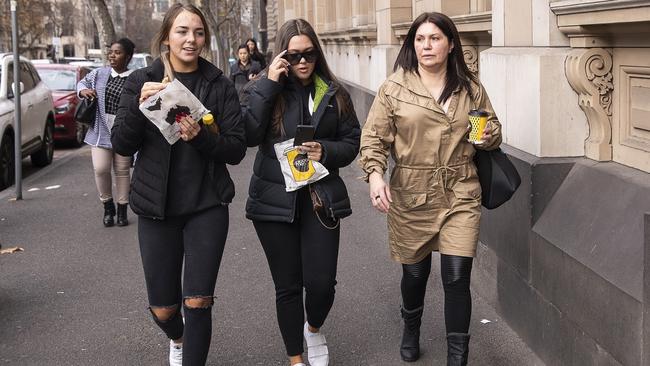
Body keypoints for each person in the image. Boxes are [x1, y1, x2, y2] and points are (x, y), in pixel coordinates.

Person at [359, 12, 502, 366]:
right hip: (411, 193)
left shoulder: (469, 87)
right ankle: (411, 326)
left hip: (461, 190)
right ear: (413, 45)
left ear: (450, 44)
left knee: (456, 277)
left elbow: (492, 127)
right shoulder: (394, 88)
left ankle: (458, 356)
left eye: (435, 38)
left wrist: (487, 135)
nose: (426, 46)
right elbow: (373, 139)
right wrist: (376, 176)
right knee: (415, 273)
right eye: (420, 39)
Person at [111, 4, 246, 365]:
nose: (191, 40)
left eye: (198, 32)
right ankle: (177, 336)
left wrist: (201, 137)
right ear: (167, 36)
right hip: (157, 209)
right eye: (183, 31)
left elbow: (235, 149)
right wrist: (140, 109)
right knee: (164, 309)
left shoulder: (218, 84)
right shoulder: (141, 80)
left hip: (207, 204)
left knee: (198, 301)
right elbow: (122, 144)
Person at [241, 19, 360, 366]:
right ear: (282, 56)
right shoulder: (261, 89)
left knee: (322, 284)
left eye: (308, 54)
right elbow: (248, 135)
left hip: (320, 200)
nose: (303, 62)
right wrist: (269, 84)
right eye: (294, 56)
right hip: (273, 202)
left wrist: (327, 150)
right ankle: (295, 358)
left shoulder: (334, 93)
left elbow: (352, 141)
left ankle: (313, 326)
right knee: (288, 286)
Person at [77, 38, 136, 227]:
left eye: (117, 53)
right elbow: (81, 84)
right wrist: (84, 91)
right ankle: (107, 206)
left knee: (122, 171)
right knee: (101, 169)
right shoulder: (99, 74)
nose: (112, 55)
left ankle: (122, 210)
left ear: (127, 57)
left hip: (124, 132)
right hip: (100, 130)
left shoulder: (136, 78)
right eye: (111, 52)